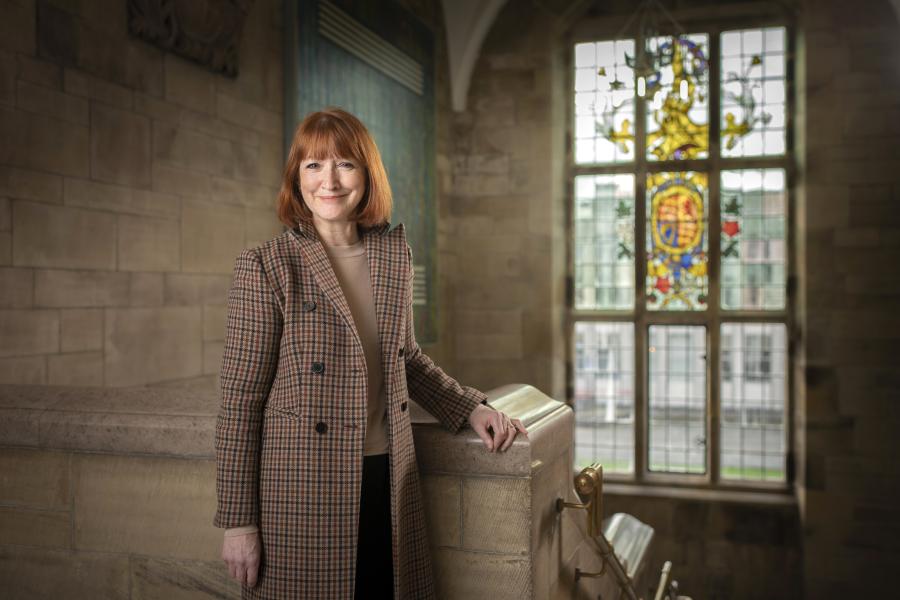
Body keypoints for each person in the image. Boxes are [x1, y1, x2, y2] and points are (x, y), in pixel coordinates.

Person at [214, 107, 528, 599]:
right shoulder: (267, 266)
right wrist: (238, 524)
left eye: (345, 164)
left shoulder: (391, 254)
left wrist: (469, 407)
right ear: (296, 180)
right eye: (313, 166)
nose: (329, 181)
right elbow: (239, 401)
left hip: (387, 476)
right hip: (303, 485)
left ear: (366, 174)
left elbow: (405, 358)